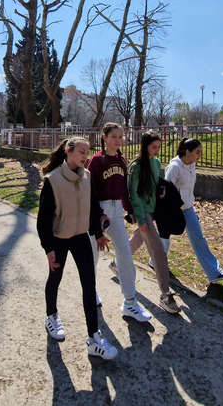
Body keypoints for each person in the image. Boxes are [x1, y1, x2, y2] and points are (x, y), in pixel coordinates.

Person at [37, 136, 118, 360]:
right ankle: (51, 316)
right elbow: (42, 220)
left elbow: (92, 208)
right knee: (55, 278)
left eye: (88, 152)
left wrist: (99, 234)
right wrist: (48, 248)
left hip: (81, 237)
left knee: (89, 285)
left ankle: (93, 338)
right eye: (82, 152)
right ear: (69, 152)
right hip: (59, 239)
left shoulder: (88, 177)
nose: (86, 156)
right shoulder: (53, 180)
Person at [86, 123, 153, 322]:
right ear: (104, 137)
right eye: (114, 136)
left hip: (116, 211)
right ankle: (91, 291)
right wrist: (97, 214)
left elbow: (123, 188)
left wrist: (130, 209)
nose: (118, 140)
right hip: (98, 210)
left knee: (124, 253)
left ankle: (130, 302)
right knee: (93, 256)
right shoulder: (96, 161)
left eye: (120, 136)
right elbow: (90, 191)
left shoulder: (121, 159)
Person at [126, 130, 182, 314]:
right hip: (143, 212)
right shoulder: (136, 167)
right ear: (145, 146)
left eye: (159, 147)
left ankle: (118, 264)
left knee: (138, 239)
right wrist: (140, 218)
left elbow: (155, 182)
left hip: (154, 209)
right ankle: (165, 294)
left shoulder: (156, 163)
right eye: (153, 147)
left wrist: (161, 192)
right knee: (158, 250)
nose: (157, 150)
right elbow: (133, 194)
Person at [164, 138, 223, 284]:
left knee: (198, 239)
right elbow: (166, 189)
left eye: (200, 152)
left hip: (188, 209)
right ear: (187, 152)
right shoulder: (174, 167)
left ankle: (214, 272)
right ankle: (156, 261)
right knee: (164, 238)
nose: (199, 155)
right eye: (197, 152)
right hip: (173, 210)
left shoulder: (192, 164)